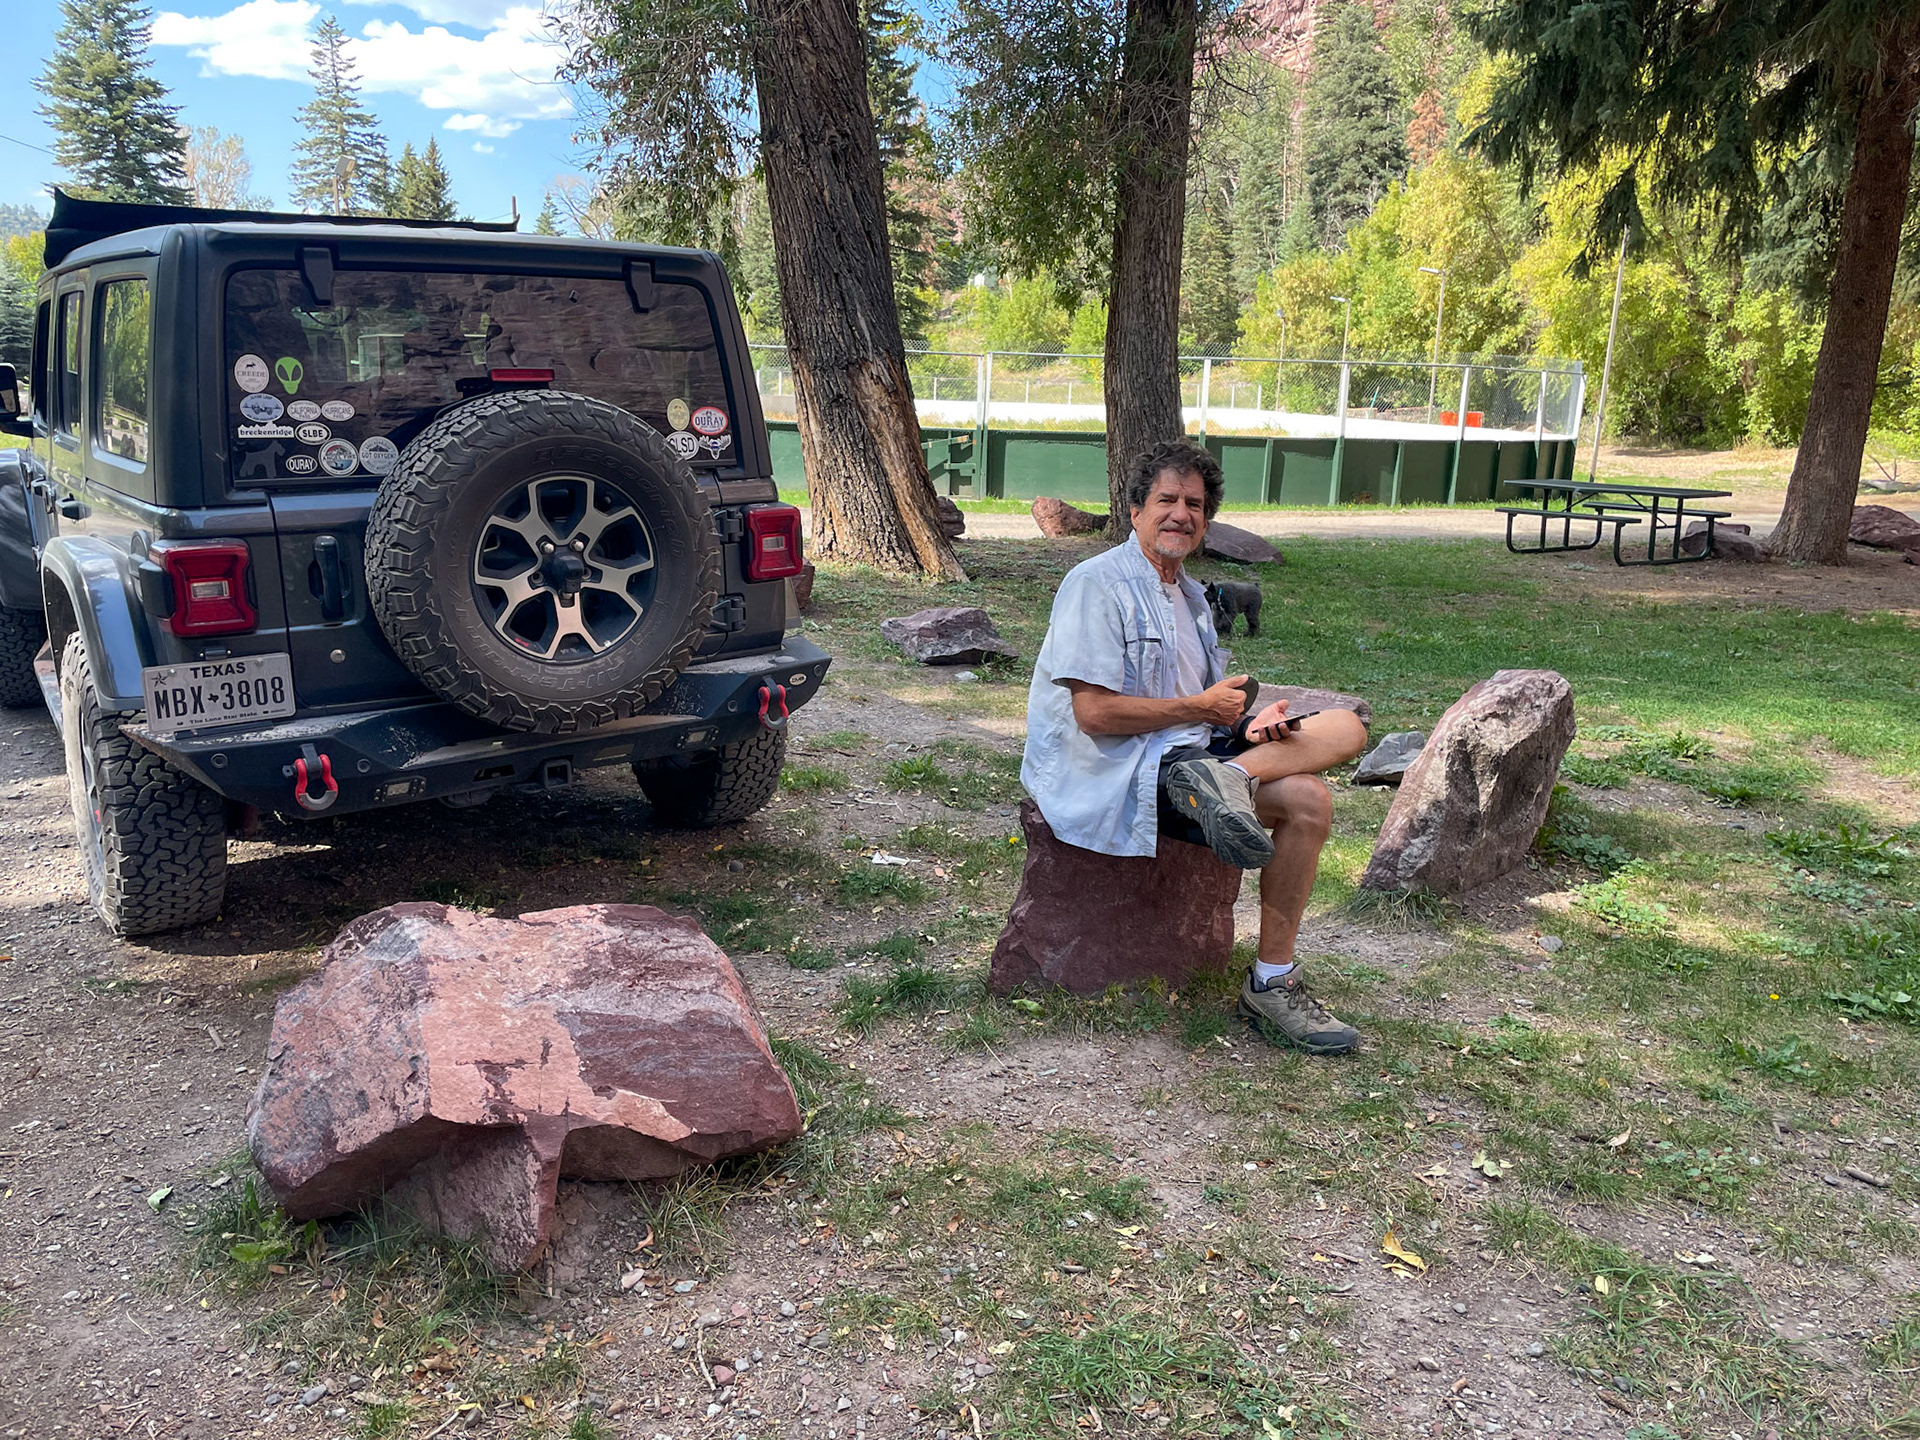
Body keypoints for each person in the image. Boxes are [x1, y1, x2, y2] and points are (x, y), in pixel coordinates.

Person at [1022, 440, 1371, 1053]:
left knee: (1346, 729)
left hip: (1197, 755)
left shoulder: (1190, 597)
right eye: (1167, 500)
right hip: (1123, 767)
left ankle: (1270, 980)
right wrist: (1201, 709)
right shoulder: (1095, 584)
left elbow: (1201, 708)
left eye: (1195, 505)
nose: (1181, 514)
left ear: (1206, 521)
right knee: (1304, 795)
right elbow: (1095, 715)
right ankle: (1223, 781)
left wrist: (1247, 726)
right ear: (1135, 510)